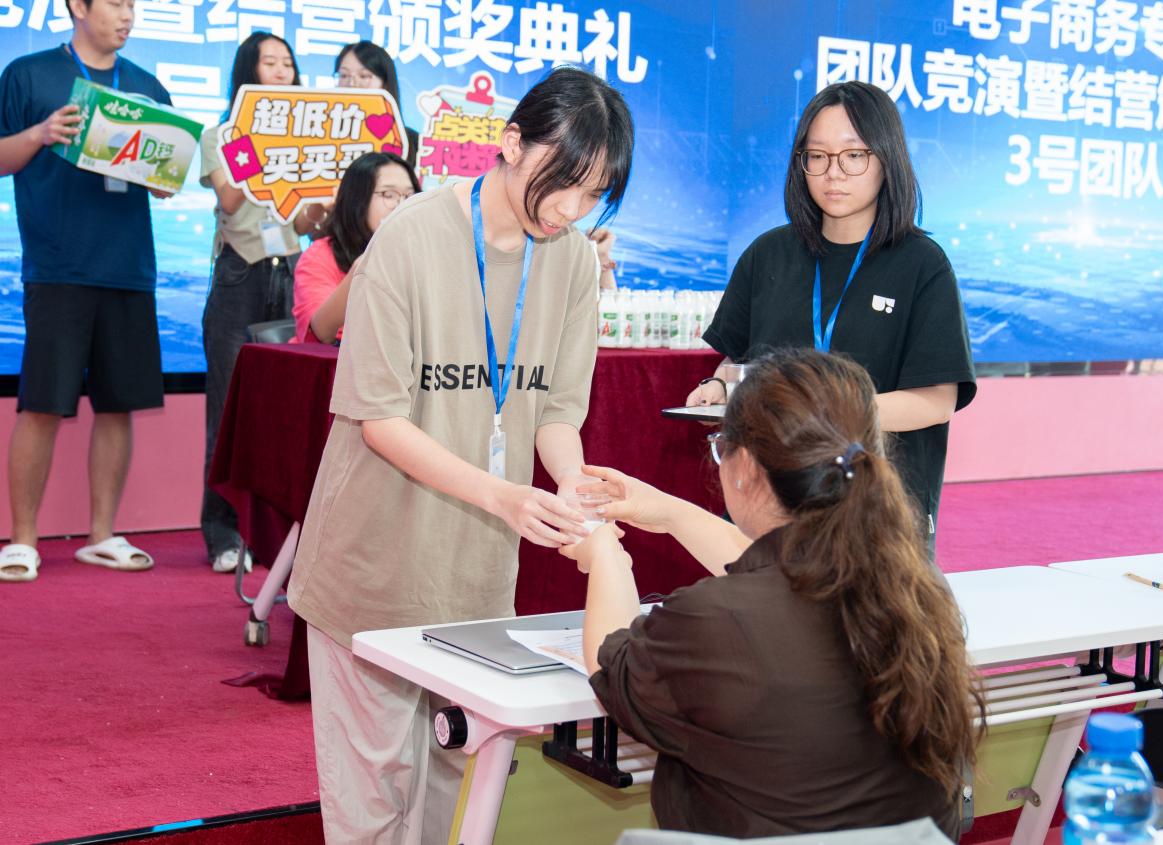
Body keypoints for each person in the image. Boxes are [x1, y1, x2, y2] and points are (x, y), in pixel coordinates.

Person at [286, 66, 634, 843]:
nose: (570, 209)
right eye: (562, 182)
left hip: (476, 575)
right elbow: (379, 419)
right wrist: (506, 496)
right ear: (510, 143)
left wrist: (569, 482)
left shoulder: (573, 261)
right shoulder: (409, 235)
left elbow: (554, 411)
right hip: (372, 566)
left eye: (593, 194)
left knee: (457, 782)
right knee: (374, 797)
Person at [566, 348, 982, 839]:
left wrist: (605, 555)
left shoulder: (713, 618)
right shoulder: (914, 589)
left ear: (744, 466)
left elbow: (611, 662)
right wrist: (669, 512)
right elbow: (783, 574)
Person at [687, 81, 975, 549]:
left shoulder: (922, 264)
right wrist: (720, 389)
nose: (833, 173)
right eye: (817, 156)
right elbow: (737, 361)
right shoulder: (768, 254)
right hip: (769, 502)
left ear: (887, 159)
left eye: (853, 155)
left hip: (875, 511)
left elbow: (936, 401)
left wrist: (820, 414)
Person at [0, 0, 174, 582]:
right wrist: (40, 133)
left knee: (118, 403)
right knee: (42, 403)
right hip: (58, 265)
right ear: (78, 5)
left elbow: (166, 179)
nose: (128, 16)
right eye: (116, 4)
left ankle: (102, 534)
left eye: (133, 6)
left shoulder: (146, 87)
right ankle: (22, 540)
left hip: (128, 267)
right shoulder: (29, 75)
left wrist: (165, 174)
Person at [199, 32, 318, 574]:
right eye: (269, 62)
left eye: (287, 63)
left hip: (289, 270)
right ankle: (222, 534)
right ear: (248, 71)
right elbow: (229, 198)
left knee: (281, 411)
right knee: (226, 410)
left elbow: (305, 221)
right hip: (239, 273)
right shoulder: (220, 133)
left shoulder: (307, 140)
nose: (281, 71)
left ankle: (270, 537)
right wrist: (262, 146)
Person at [290, 151, 420, 344]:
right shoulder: (320, 255)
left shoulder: (420, 253)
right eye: (388, 194)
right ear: (357, 199)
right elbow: (320, 333)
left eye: (409, 195)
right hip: (336, 359)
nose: (401, 205)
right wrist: (364, 268)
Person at [334, 41, 419, 167]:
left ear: (385, 83)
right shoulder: (320, 133)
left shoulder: (412, 141)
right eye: (344, 75)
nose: (351, 83)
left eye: (364, 76)